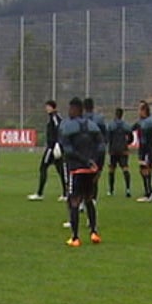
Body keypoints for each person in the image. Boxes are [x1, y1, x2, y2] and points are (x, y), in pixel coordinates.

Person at [58, 98, 104, 246]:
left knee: (74, 201)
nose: (69, 112)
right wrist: (97, 165)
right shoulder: (93, 126)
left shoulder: (68, 127)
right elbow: (101, 148)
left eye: (70, 109)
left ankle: (75, 237)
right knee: (89, 199)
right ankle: (94, 232)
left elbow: (69, 150)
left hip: (76, 169)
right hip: (90, 170)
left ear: (76, 109)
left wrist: (84, 161)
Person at [27, 100, 66, 202]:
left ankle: (40, 193)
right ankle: (66, 193)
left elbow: (59, 129)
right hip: (54, 147)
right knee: (61, 170)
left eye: (48, 107)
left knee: (43, 167)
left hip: (52, 148)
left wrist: (57, 143)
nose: (46, 109)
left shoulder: (54, 117)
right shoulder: (54, 117)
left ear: (53, 107)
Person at [131, 100, 152, 202]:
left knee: (144, 169)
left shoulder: (145, 123)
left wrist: (142, 153)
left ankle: (149, 193)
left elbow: (143, 139)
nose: (138, 112)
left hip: (146, 149)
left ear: (144, 111)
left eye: (139, 109)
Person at [83, 97, 108, 201]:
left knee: (83, 175)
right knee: (95, 175)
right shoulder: (100, 119)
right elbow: (105, 135)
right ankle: (93, 199)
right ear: (93, 107)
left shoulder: (81, 119)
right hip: (98, 151)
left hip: (85, 151)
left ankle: (84, 199)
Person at [105, 107, 133, 197]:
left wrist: (109, 148)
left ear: (115, 114)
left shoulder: (111, 125)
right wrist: (127, 143)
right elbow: (131, 137)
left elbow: (108, 138)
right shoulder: (126, 125)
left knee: (111, 170)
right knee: (125, 169)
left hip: (113, 151)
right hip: (123, 150)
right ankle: (128, 190)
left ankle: (111, 190)